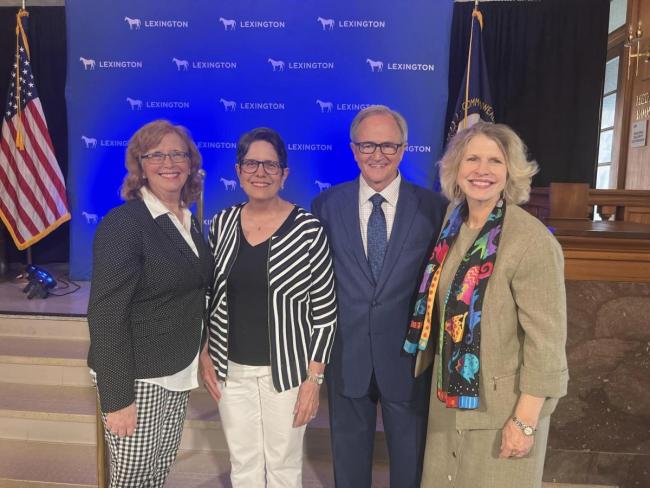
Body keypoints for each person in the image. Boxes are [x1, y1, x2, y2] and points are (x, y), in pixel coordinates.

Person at [404, 122, 569, 487]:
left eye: (495, 161)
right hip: (448, 399)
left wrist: (523, 424)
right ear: (456, 168)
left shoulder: (531, 242)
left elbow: (547, 344)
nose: (482, 170)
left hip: (502, 410)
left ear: (511, 170)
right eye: (472, 159)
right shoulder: (454, 221)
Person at [311, 105, 447, 488]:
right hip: (348, 351)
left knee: (410, 460)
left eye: (388, 145)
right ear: (354, 150)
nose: (377, 154)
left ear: (404, 149)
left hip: (407, 355)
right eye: (368, 145)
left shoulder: (434, 208)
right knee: (349, 457)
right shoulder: (326, 205)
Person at [200, 127, 337, 487]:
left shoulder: (309, 230)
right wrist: (204, 351)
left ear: (284, 173)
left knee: (283, 466)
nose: (260, 172)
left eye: (270, 165)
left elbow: (325, 313)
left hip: (288, 373)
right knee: (243, 464)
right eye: (251, 164)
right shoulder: (222, 223)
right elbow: (208, 295)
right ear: (238, 170)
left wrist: (314, 380)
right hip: (231, 371)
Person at [87, 119, 211, 487]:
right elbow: (106, 315)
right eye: (156, 154)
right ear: (140, 165)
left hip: (175, 370)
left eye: (177, 153)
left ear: (190, 162)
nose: (168, 162)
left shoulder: (187, 220)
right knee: (134, 479)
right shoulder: (125, 224)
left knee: (157, 474)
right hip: (137, 377)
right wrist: (117, 398)